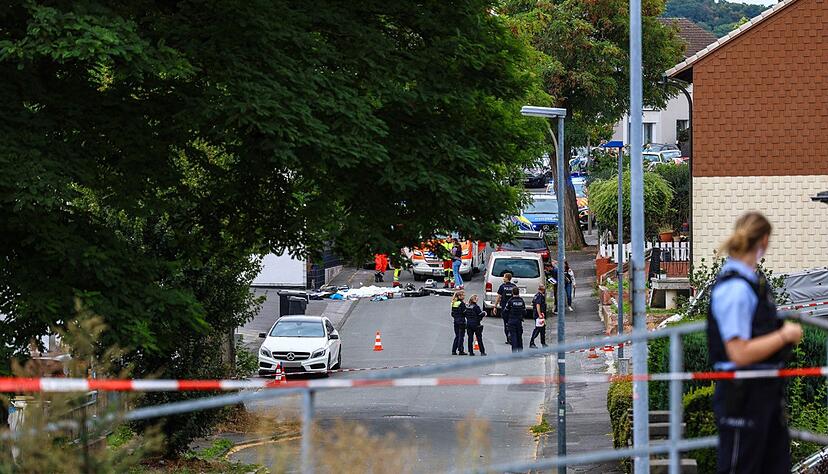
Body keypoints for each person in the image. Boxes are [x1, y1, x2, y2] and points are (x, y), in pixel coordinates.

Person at [707, 211, 802, 473]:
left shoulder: (752, 284)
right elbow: (739, 352)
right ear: (765, 240)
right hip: (743, 396)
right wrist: (784, 335)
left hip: (765, 392)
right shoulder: (736, 289)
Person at [493, 272, 517, 344]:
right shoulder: (514, 286)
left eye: (504, 277)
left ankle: (508, 337)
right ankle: (512, 336)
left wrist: (495, 306)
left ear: (507, 278)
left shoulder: (502, 287)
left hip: (504, 308)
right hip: (513, 308)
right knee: (513, 323)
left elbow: (498, 297)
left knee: (506, 323)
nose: (503, 278)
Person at [504, 286, 526, 352]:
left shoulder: (510, 301)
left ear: (512, 292)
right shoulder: (521, 300)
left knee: (513, 336)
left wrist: (506, 320)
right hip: (519, 320)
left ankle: (514, 352)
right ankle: (520, 351)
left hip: (511, 320)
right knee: (519, 336)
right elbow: (524, 311)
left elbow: (505, 311)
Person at [450, 290, 467, 355]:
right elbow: (465, 312)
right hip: (461, 321)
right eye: (463, 295)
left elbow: (452, 313)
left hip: (456, 321)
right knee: (461, 336)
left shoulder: (454, 303)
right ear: (459, 296)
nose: (464, 296)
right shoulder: (461, 303)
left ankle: (453, 350)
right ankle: (461, 350)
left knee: (457, 336)